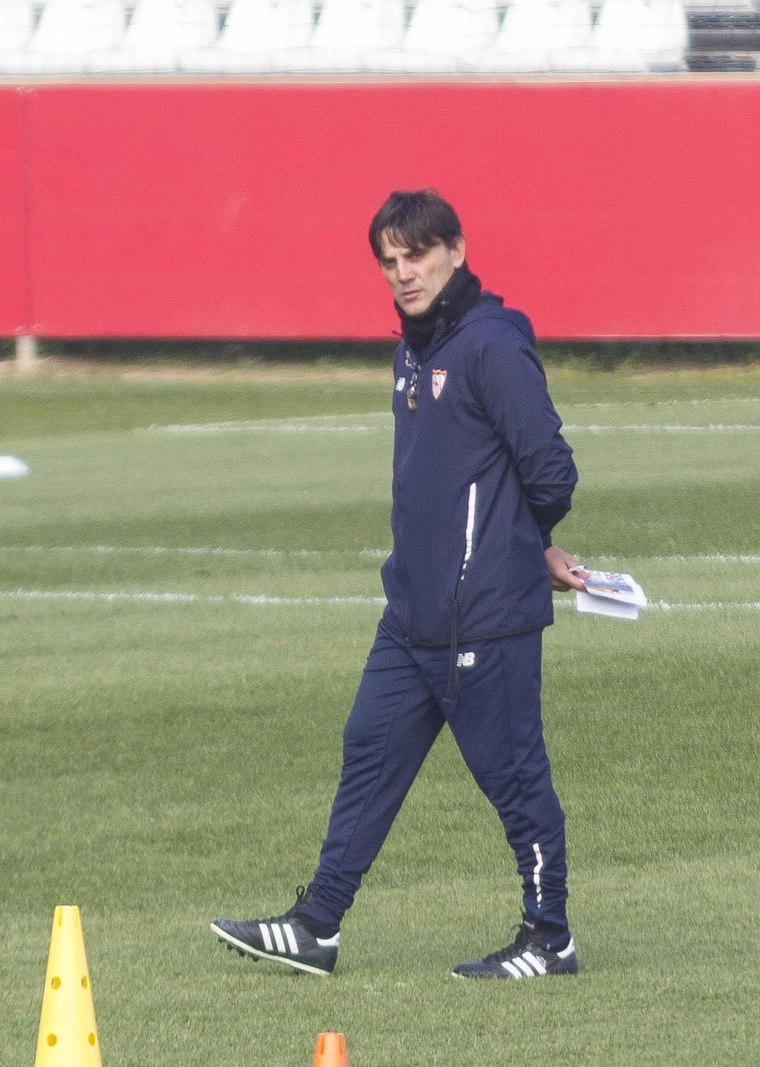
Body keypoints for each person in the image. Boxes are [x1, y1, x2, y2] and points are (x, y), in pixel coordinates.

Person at [211, 190, 586, 978]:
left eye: (415, 254)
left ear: (454, 248)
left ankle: (550, 938)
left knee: (515, 780)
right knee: (368, 751)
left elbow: (550, 471)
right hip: (412, 616)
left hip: (483, 619)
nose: (402, 273)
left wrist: (528, 545)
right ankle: (316, 926)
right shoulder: (413, 348)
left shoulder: (491, 345)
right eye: (388, 260)